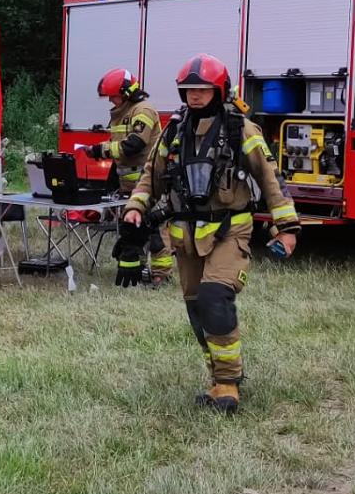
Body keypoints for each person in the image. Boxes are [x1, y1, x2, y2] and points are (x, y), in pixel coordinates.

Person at [123, 53, 299, 414]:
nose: (195, 96)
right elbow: (150, 177)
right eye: (188, 90)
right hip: (185, 234)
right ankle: (217, 377)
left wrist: (287, 227)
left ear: (219, 90)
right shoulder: (173, 131)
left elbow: (270, 179)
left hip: (229, 230)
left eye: (202, 89)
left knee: (215, 298)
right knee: (196, 308)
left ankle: (229, 384)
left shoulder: (241, 131)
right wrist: (135, 208)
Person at [83, 68, 173, 286]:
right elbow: (120, 159)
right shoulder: (121, 114)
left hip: (149, 184)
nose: (111, 101)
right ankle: (139, 272)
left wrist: (100, 150)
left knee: (155, 233)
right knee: (134, 231)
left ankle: (162, 275)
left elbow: (134, 145)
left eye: (113, 96)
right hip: (127, 187)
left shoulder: (143, 111)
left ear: (127, 92)